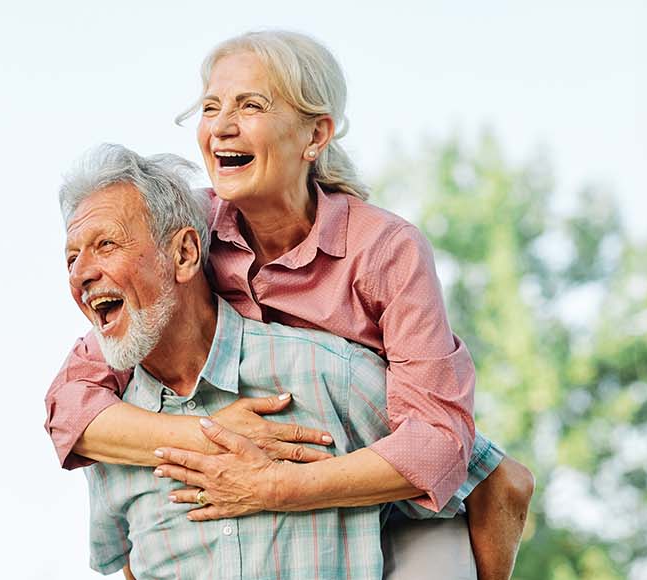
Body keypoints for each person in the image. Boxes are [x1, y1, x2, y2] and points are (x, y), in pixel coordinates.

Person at [44, 30, 534, 580]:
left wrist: (275, 487)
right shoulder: (190, 227)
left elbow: (437, 444)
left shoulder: (383, 250)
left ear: (315, 135)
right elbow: (70, 404)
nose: (221, 126)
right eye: (211, 107)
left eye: (250, 105)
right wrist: (208, 434)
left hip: (384, 474)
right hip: (272, 441)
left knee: (490, 485)